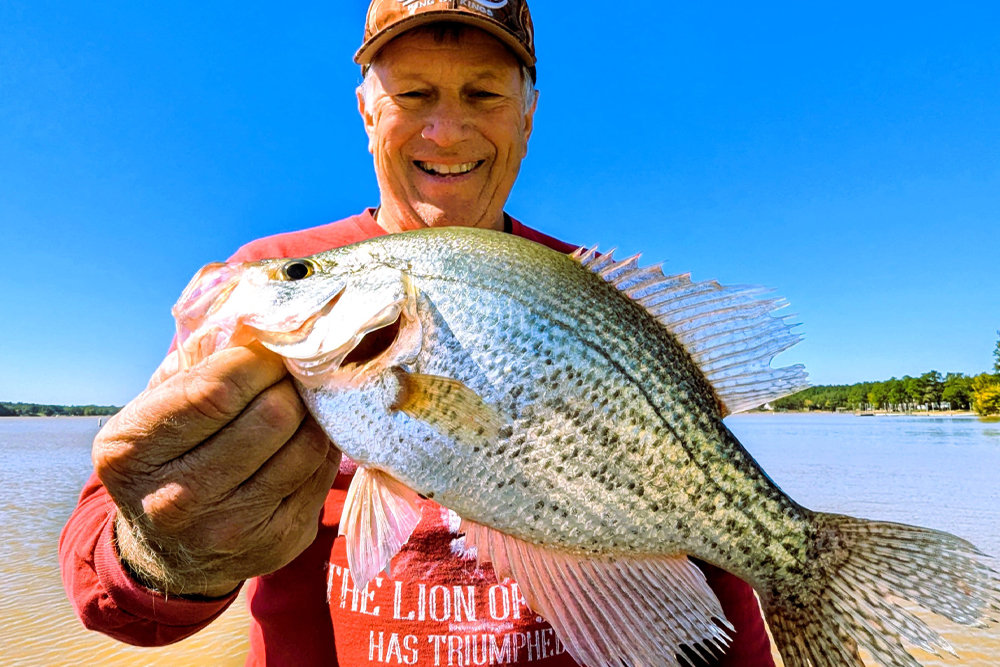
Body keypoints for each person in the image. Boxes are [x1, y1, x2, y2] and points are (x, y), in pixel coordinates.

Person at [60, 2, 776, 665]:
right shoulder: (266, 280)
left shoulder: (592, 299)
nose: (446, 129)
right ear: (368, 111)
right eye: (412, 94)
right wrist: (165, 551)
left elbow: (715, 565)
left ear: (527, 119)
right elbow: (116, 589)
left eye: (483, 94)